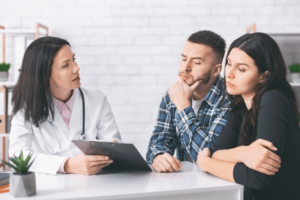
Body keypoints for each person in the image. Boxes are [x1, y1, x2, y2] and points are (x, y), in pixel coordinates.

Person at [197, 32, 300, 200]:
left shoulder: (274, 100)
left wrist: (205, 164)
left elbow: (257, 178)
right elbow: (216, 152)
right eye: (229, 63)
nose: (229, 74)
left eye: (241, 69)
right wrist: (242, 153)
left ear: (263, 76)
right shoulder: (239, 104)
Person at [9, 36, 121, 176]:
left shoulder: (97, 100)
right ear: (45, 75)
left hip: (93, 186)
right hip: (49, 190)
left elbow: (117, 151)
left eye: (73, 60)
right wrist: (66, 165)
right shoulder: (26, 108)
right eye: (65, 65)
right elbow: (17, 156)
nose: (76, 68)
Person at [146, 30, 232, 173]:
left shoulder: (229, 99)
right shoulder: (171, 96)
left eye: (197, 62)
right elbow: (158, 142)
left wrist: (183, 106)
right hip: (186, 184)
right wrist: (158, 156)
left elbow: (209, 156)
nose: (185, 67)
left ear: (216, 70)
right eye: (184, 59)